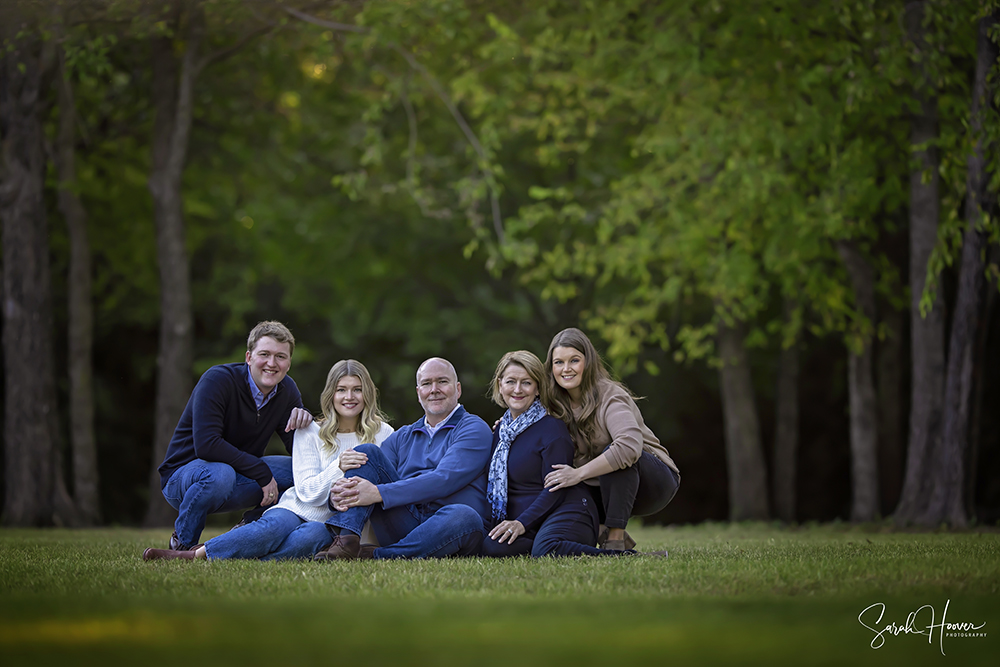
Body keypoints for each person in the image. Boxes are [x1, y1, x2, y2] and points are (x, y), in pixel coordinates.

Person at [143, 360, 394, 562]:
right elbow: (305, 491)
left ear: (368, 394)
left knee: (305, 541)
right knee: (271, 529)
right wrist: (337, 467)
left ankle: (243, 557)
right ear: (331, 394)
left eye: (357, 389)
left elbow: (390, 485)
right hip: (298, 506)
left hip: (330, 522)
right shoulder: (310, 432)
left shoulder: (385, 435)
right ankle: (192, 554)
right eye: (341, 389)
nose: (349, 397)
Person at [313, 357, 492, 560]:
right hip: (407, 523)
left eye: (442, 381)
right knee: (367, 453)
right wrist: (335, 497)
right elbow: (372, 476)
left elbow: (444, 479)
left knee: (464, 515)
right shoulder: (402, 436)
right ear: (418, 393)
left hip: (451, 527)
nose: (434, 389)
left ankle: (377, 555)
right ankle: (346, 541)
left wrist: (378, 492)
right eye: (426, 383)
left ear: (457, 389)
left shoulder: (473, 428)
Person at [156, 321, 313, 551]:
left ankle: (247, 531)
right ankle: (183, 544)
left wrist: (306, 425)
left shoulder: (287, 390)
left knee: (297, 473)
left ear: (289, 363)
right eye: (264, 354)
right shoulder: (218, 380)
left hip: (239, 477)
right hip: (185, 477)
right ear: (249, 357)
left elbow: (301, 452)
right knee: (221, 473)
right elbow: (207, 445)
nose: (272, 363)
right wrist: (261, 472)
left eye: (281, 356)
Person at [481, 351, 643, 558]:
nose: (518, 390)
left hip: (568, 509)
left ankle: (625, 556)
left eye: (526, 383)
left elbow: (554, 489)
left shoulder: (552, 429)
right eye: (511, 382)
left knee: (546, 549)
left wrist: (522, 523)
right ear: (500, 385)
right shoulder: (501, 433)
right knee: (492, 547)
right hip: (532, 520)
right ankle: (540, 542)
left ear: (538, 388)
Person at [542, 327, 680, 551]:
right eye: (558, 362)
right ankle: (602, 532)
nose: (566, 369)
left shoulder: (610, 396)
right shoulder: (553, 403)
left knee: (615, 453)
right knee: (553, 475)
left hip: (652, 481)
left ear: (588, 362)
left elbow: (628, 447)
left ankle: (615, 540)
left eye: (574, 360)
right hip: (599, 487)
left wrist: (577, 474)